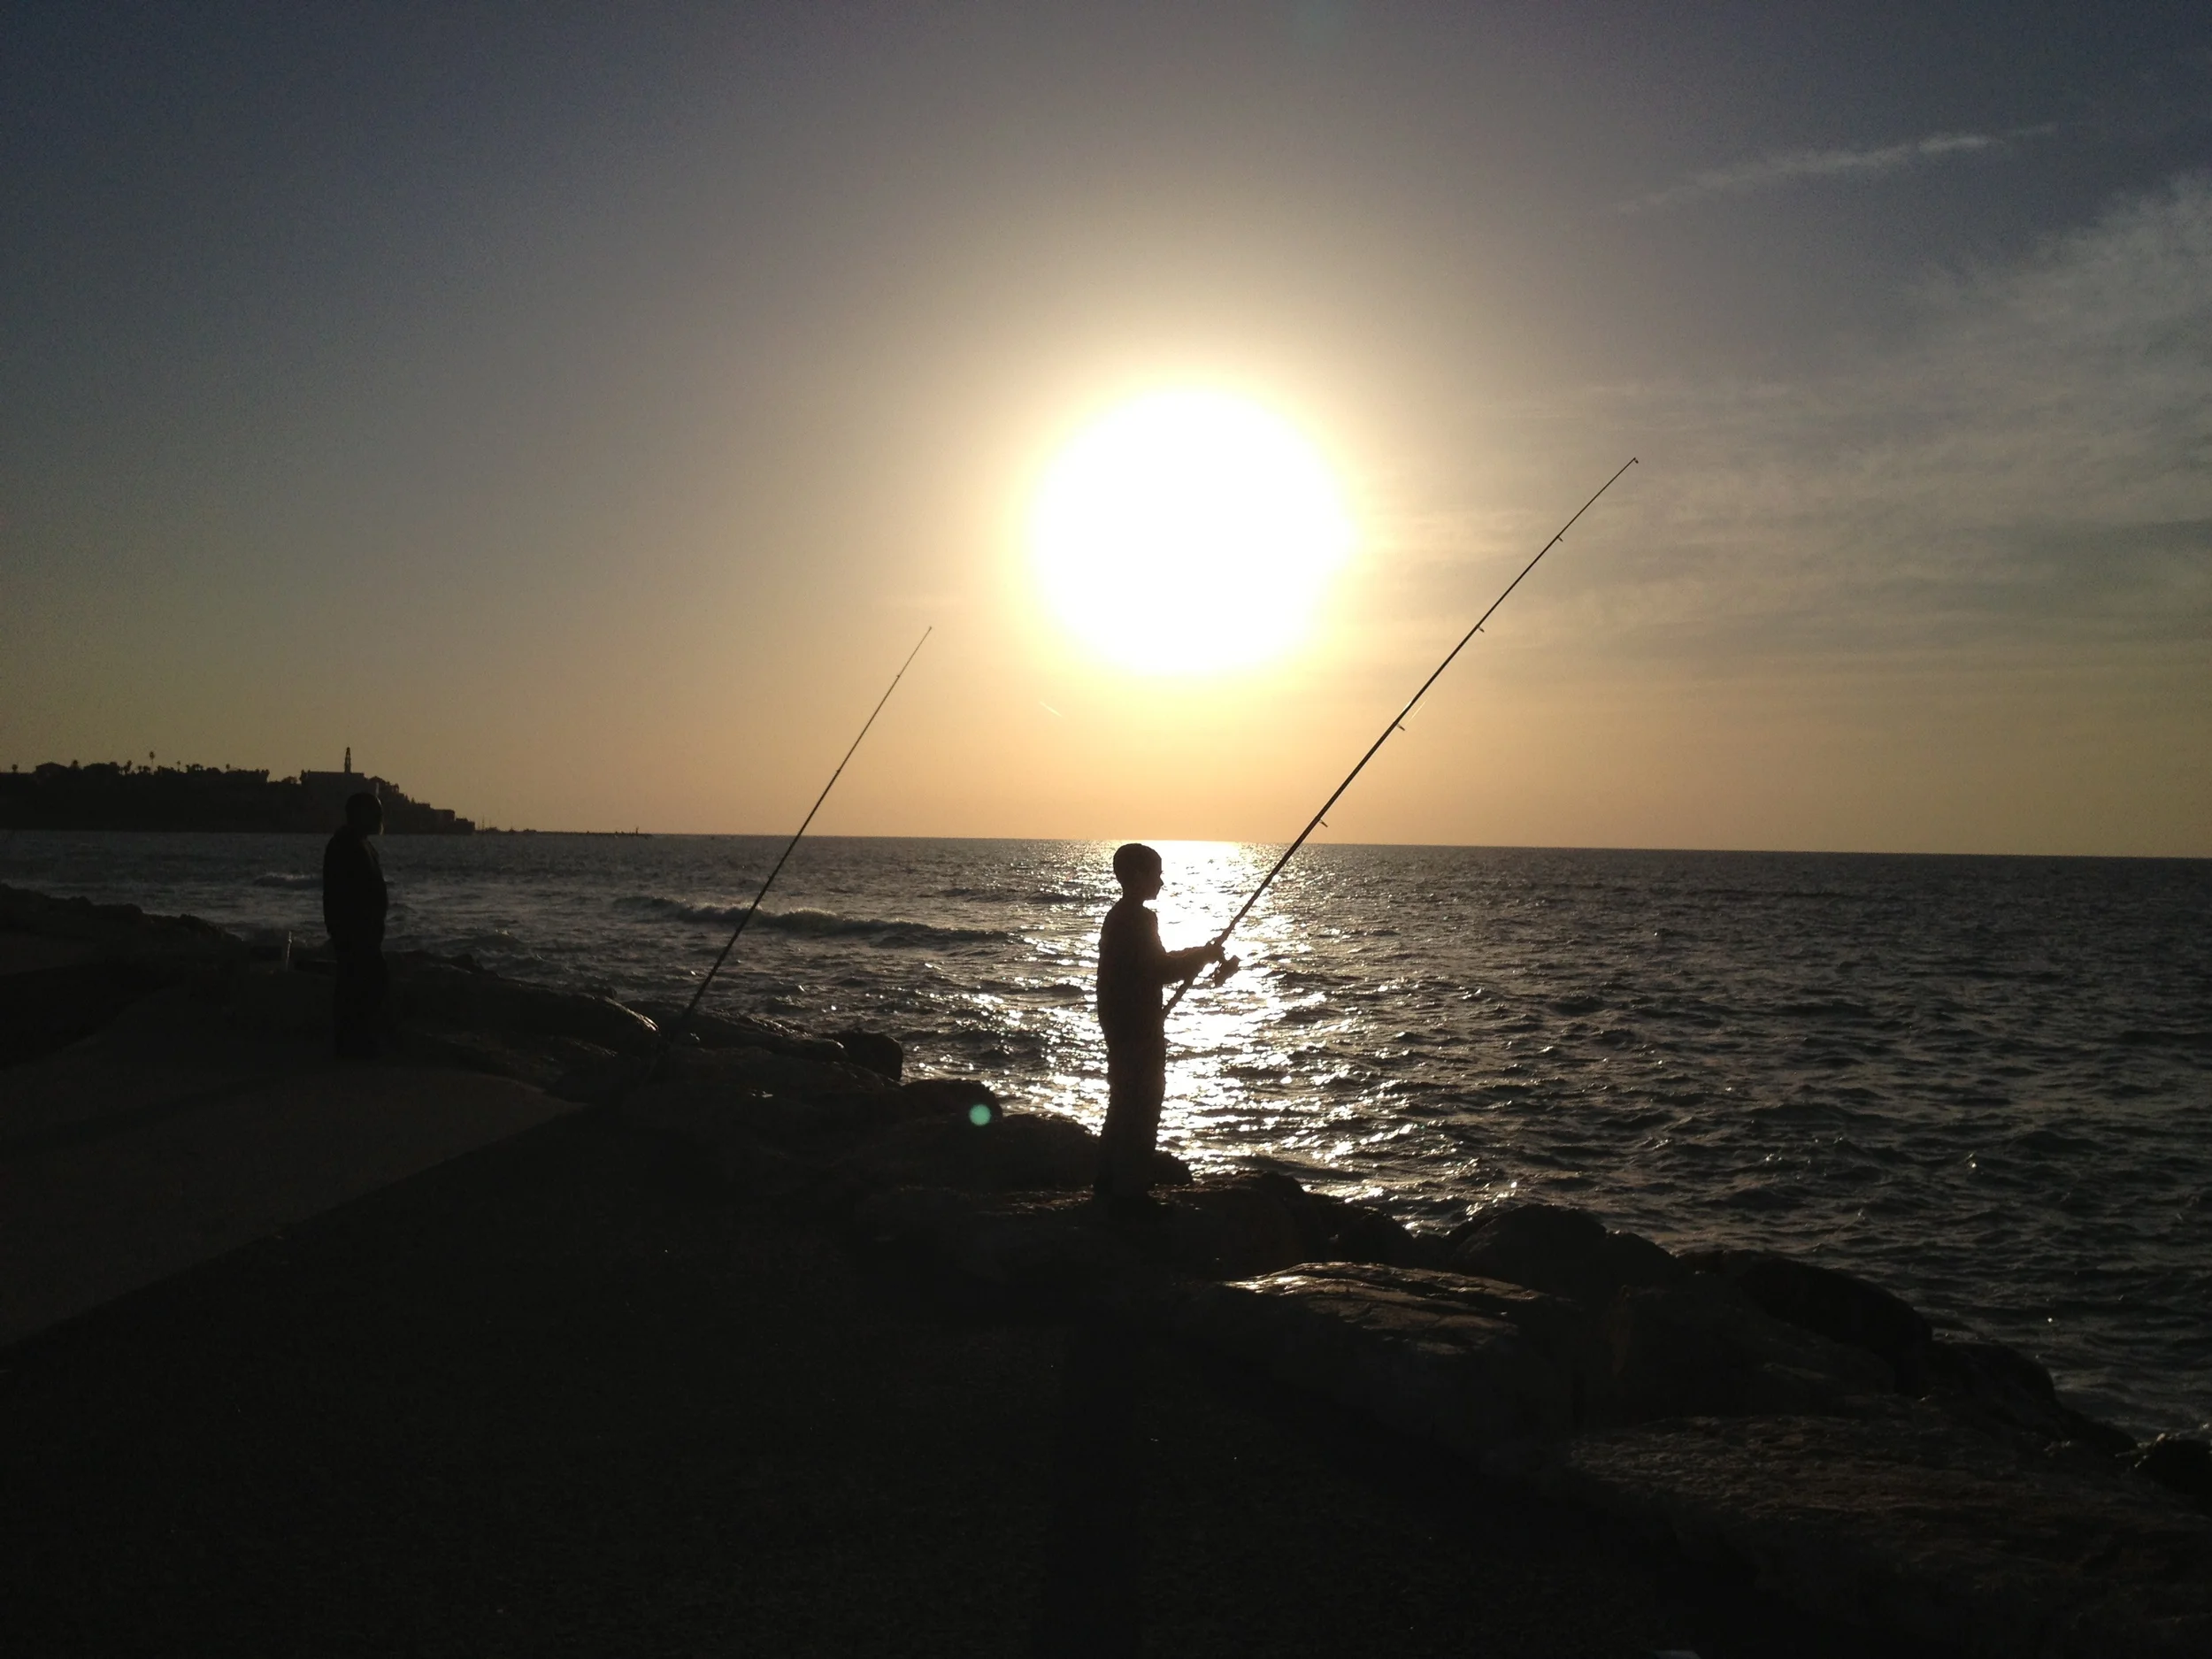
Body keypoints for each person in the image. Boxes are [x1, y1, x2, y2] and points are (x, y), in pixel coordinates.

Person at [1094, 842, 1228, 1203]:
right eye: (1157, 874)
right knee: (1143, 1102)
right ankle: (1131, 1193)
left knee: (1123, 1100)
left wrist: (1200, 954)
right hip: (1136, 1025)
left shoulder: (1119, 916)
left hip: (1121, 1021)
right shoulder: (1138, 919)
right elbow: (1159, 970)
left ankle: (1108, 1184)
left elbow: (1155, 963)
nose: (1161, 882)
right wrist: (1200, 957)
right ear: (1138, 876)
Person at [323, 790, 389, 1057]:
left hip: (365, 933)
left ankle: (358, 1041)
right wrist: (346, 928)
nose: (380, 818)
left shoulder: (362, 845)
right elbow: (340, 892)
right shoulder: (345, 845)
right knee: (357, 985)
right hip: (354, 932)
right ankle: (351, 1043)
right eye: (375, 812)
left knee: (367, 983)